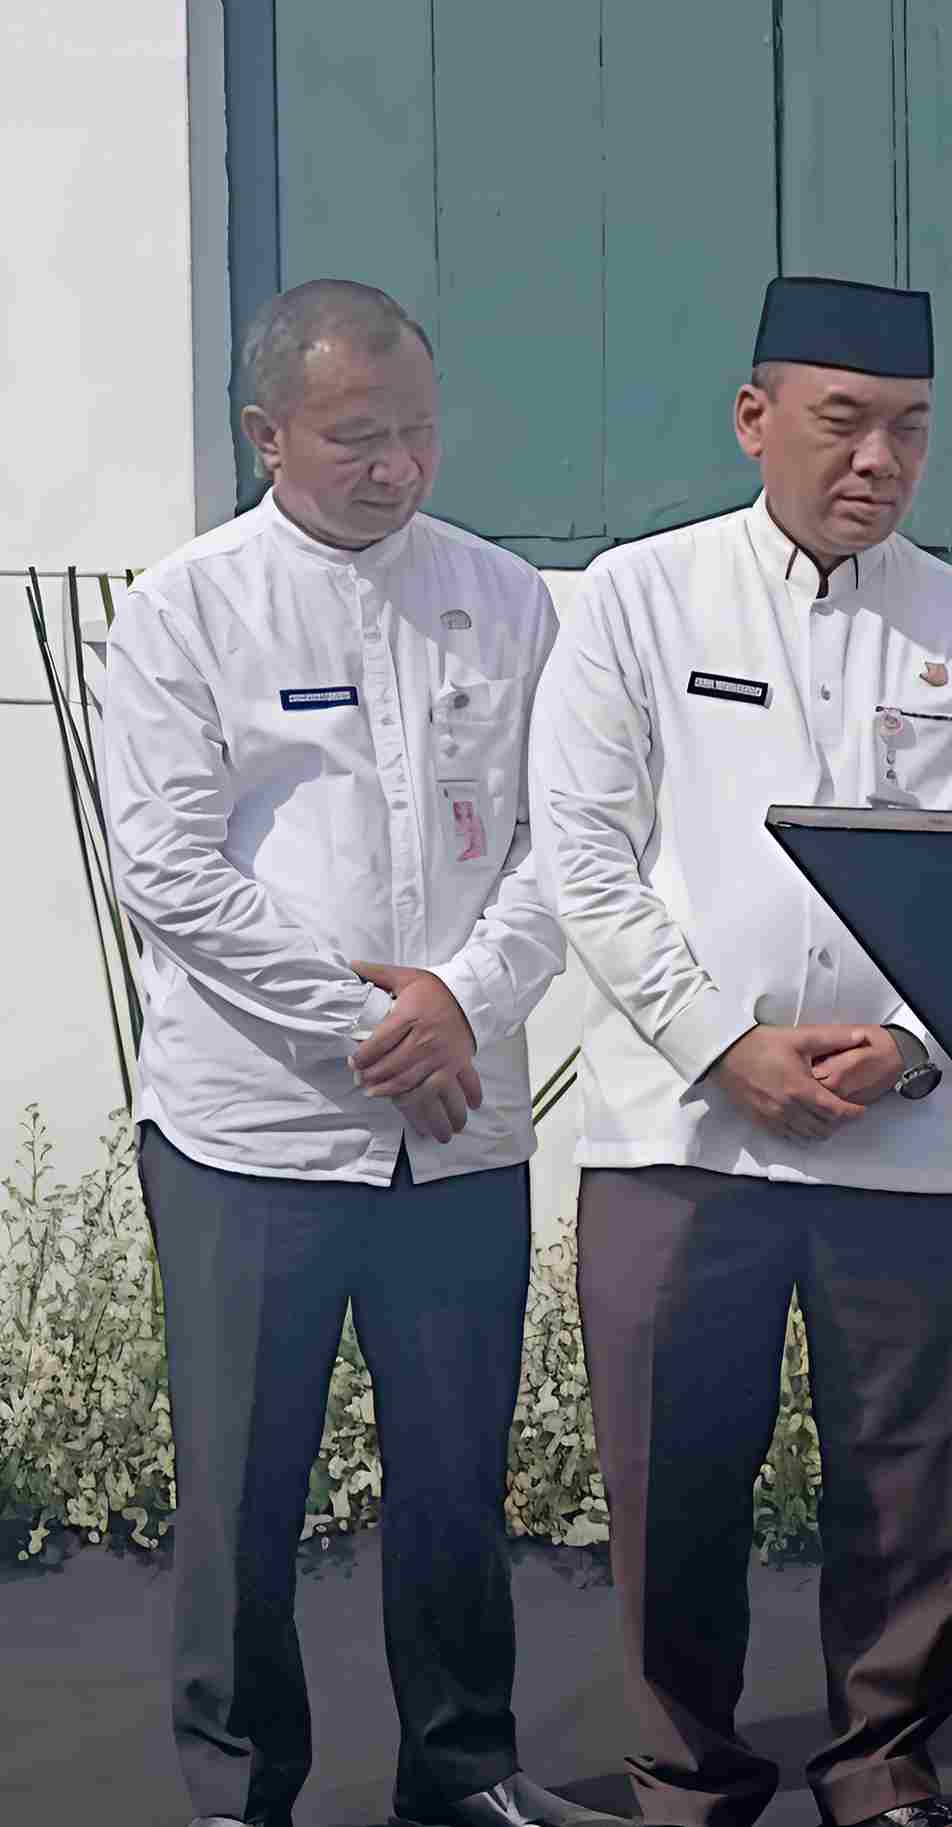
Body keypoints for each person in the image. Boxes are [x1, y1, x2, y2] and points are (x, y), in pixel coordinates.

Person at [530, 276, 952, 1827]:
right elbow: (585, 857)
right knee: (671, 1475)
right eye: (843, 422)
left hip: (916, 1131)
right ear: (754, 418)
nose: (878, 460)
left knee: (910, 1481)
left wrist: (906, 1052)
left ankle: (883, 1770)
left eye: (908, 429)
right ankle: (686, 1773)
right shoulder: (638, 599)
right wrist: (724, 1048)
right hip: (681, 1134)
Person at [100, 279, 622, 1827]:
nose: (393, 465)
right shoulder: (186, 608)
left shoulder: (512, 601)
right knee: (243, 1491)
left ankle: (463, 1772)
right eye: (354, 438)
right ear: (266, 435)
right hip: (253, 1134)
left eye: (415, 432)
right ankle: (239, 1789)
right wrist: (374, 1026)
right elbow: (170, 869)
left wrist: (465, 1001)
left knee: (459, 1482)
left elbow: (568, 842)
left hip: (459, 1127)